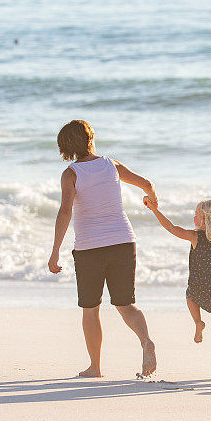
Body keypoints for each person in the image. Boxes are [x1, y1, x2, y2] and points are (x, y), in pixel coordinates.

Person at [48, 120, 157, 378]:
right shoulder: (112, 165)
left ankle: (95, 367)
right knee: (126, 304)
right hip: (123, 241)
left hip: (90, 248)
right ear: (90, 138)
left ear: (67, 147)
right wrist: (152, 200)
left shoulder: (71, 174)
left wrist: (55, 251)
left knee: (90, 308)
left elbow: (65, 211)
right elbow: (147, 183)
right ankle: (146, 341)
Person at [143, 195, 211, 343]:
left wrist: (155, 210)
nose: (194, 217)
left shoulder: (195, 236)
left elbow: (171, 228)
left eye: (197, 215)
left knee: (190, 297)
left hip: (199, 286)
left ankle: (198, 322)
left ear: (205, 219)